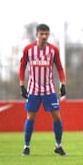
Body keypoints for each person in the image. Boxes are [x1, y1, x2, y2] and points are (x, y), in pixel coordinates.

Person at [19, 23, 67, 156]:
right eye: (42, 34)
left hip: (49, 89)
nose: (44, 36)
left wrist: (63, 84)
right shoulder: (29, 49)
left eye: (46, 34)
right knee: (30, 117)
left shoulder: (53, 50)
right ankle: (26, 146)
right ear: (36, 35)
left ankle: (58, 145)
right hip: (33, 90)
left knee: (57, 116)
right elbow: (22, 67)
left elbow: (60, 68)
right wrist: (22, 85)